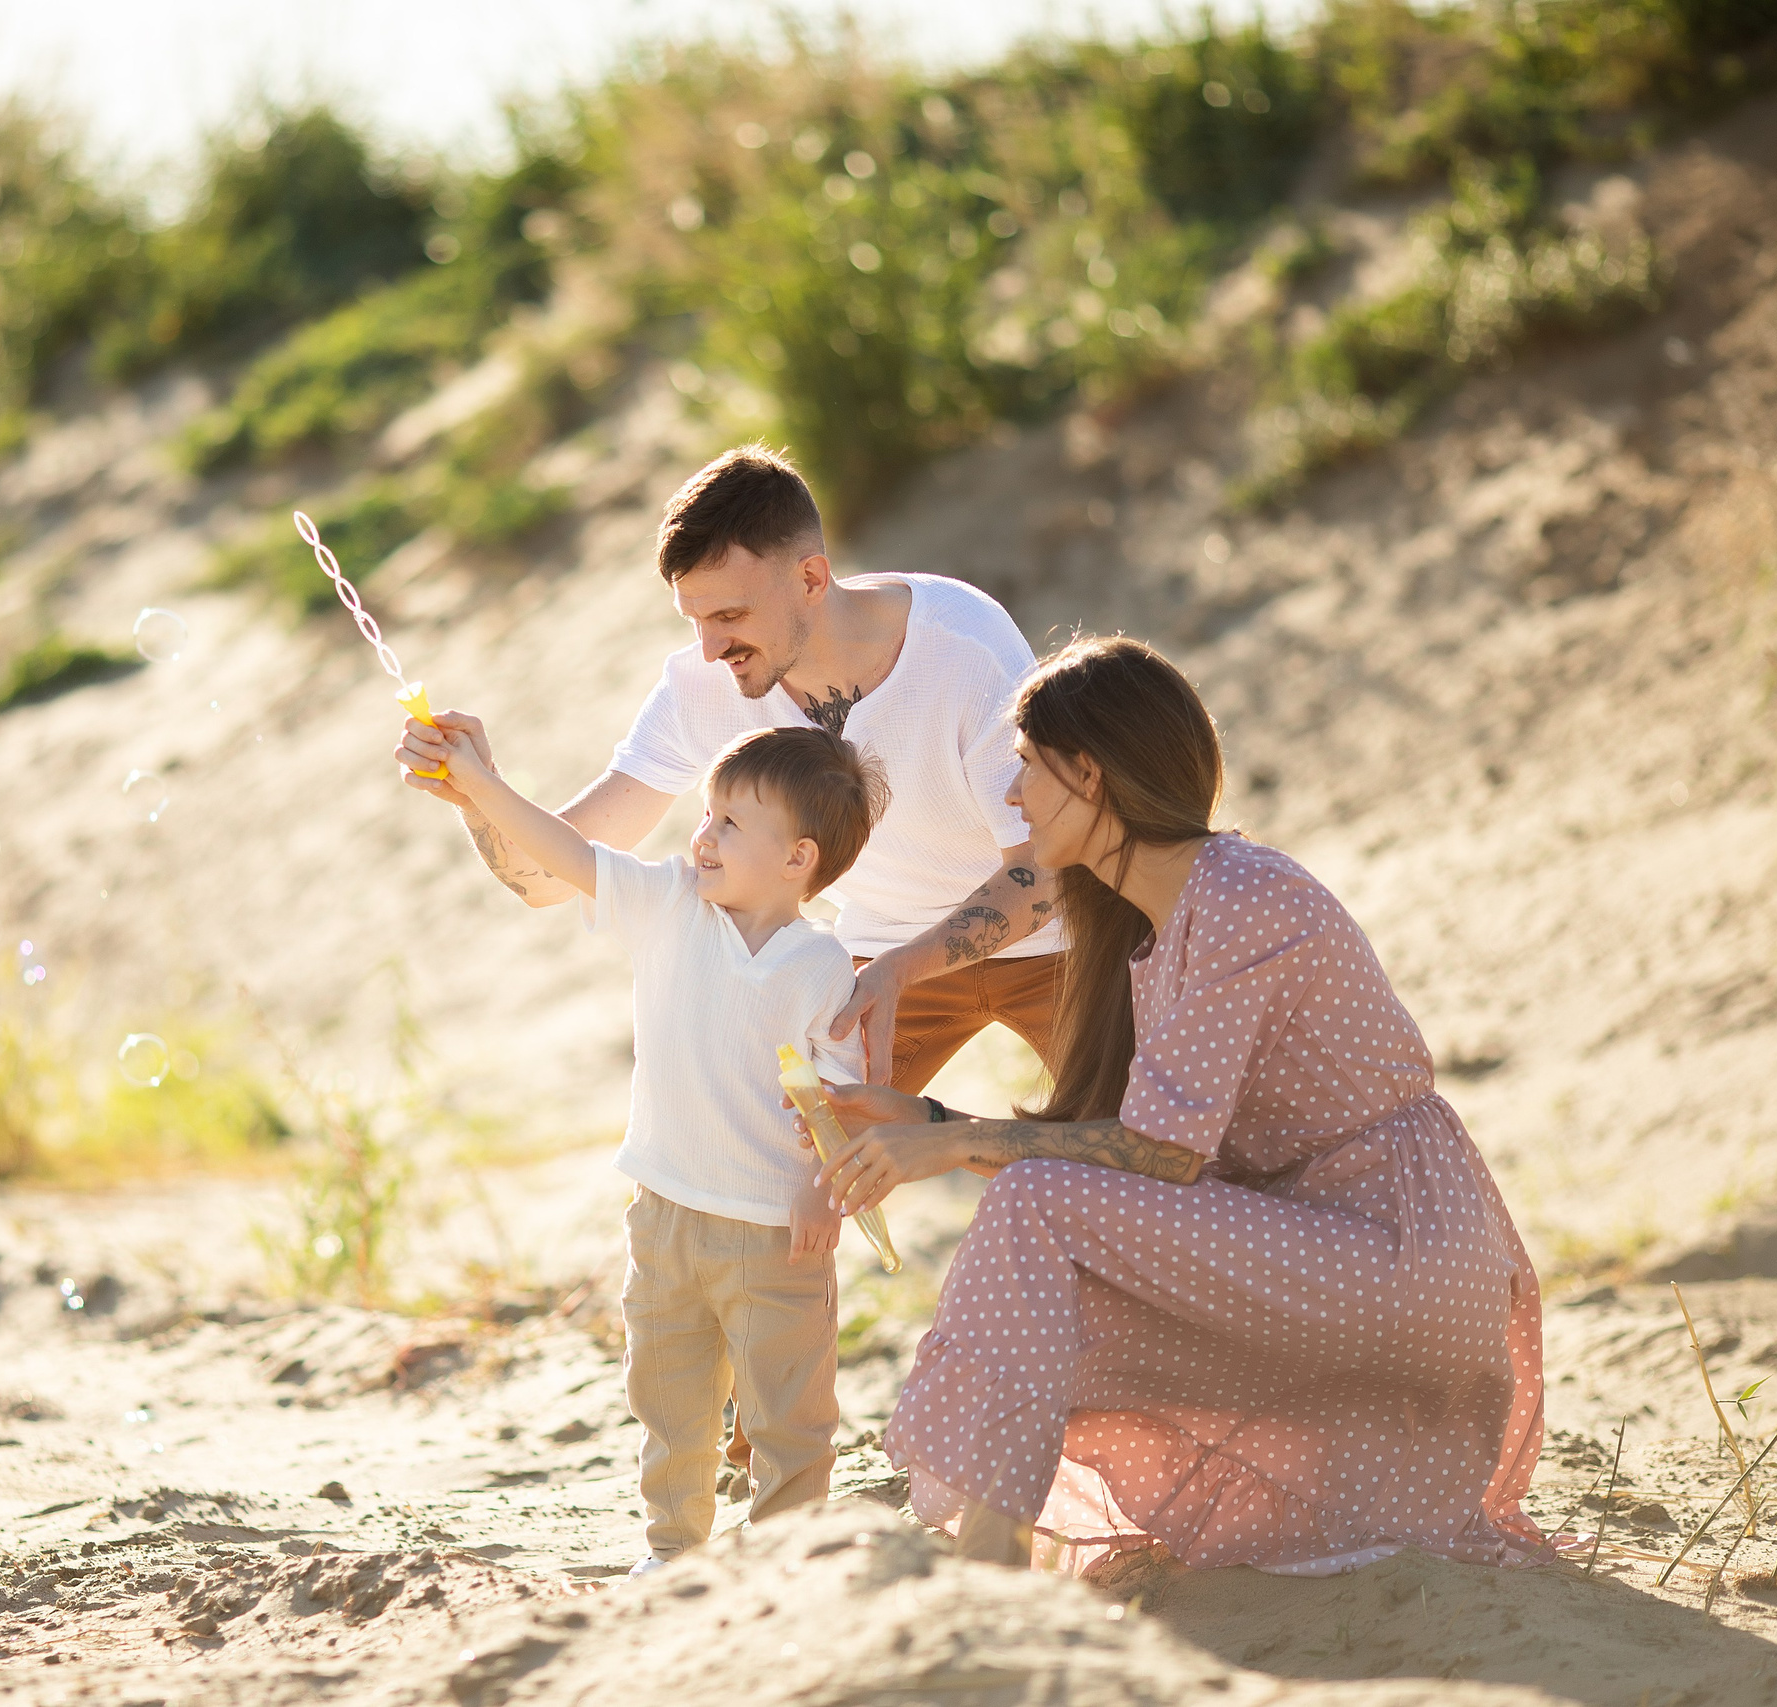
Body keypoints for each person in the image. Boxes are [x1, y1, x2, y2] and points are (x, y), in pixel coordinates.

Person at [806, 636, 1546, 1576]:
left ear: (1091, 774)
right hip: (1314, 1239)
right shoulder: (1157, 925)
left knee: (1033, 1203)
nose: (1011, 796)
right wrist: (925, 1121)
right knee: (1044, 1251)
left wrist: (952, 1142)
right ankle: (989, 1550)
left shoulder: (1244, 896)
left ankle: (987, 1563)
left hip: (1395, 1250)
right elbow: (1125, 1153)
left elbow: (1159, 1154)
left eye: (1027, 768)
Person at [397, 445, 1061, 1094]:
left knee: (1144, 1161)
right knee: (791, 1172)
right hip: (880, 957)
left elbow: (1045, 870)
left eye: (729, 616)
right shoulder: (703, 685)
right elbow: (547, 880)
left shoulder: (963, 647)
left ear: (811, 578)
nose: (710, 648)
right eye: (694, 620)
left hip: (1056, 941)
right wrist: (475, 796)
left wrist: (899, 967)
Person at [409, 713, 885, 1572]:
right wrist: (478, 784)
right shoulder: (669, 903)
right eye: (707, 814)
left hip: (776, 1231)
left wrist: (826, 1188)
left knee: (788, 1409)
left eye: (730, 824)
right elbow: (568, 854)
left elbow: (838, 1099)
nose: (702, 836)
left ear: (798, 859)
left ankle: (783, 1558)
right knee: (670, 1398)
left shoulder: (822, 965)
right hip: (663, 1213)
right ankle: (673, 1550)